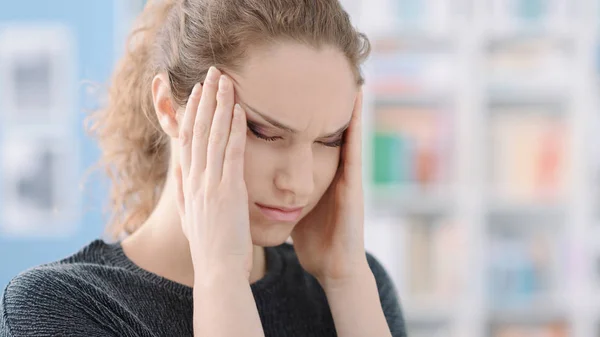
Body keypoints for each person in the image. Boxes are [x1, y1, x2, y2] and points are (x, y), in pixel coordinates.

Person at [0, 0, 407, 336]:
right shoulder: (58, 306)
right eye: (263, 131)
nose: (298, 183)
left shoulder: (354, 287)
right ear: (168, 108)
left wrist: (346, 280)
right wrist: (221, 277)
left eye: (329, 140)